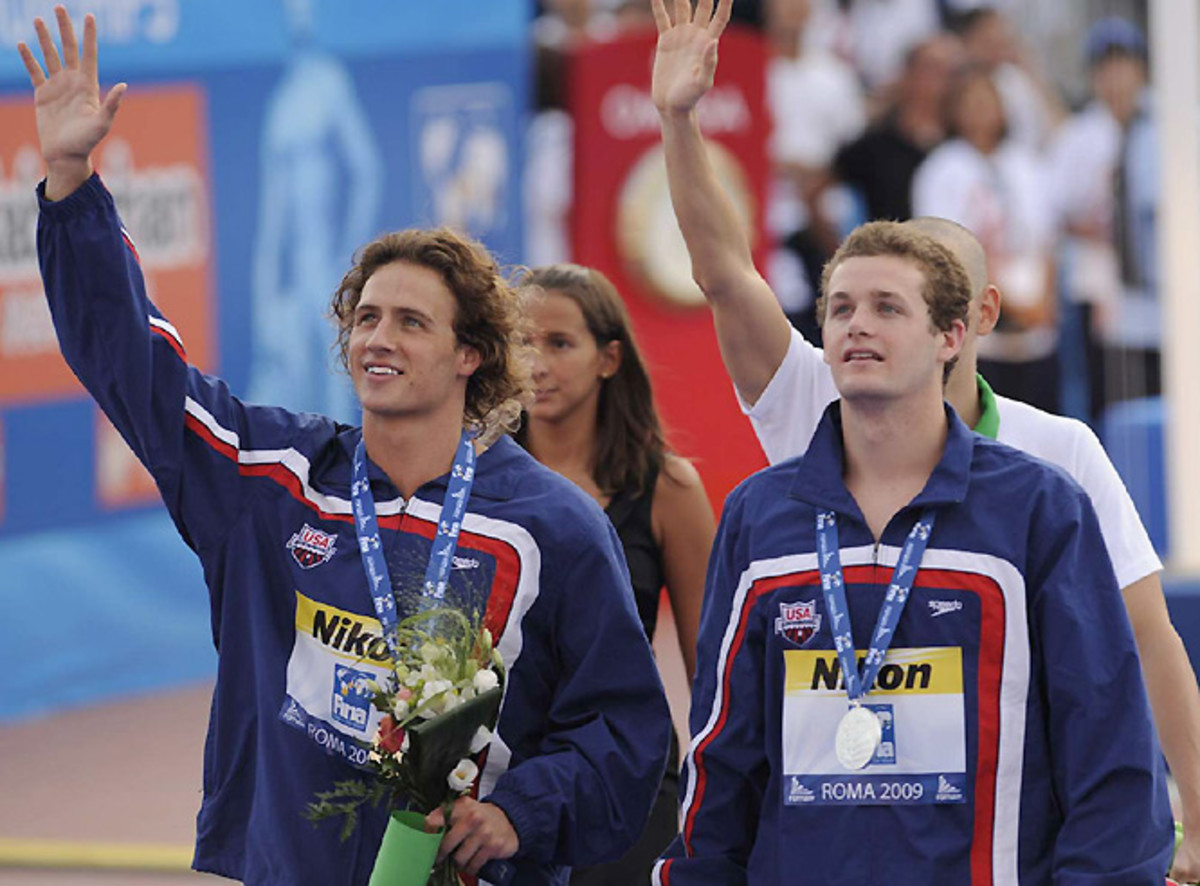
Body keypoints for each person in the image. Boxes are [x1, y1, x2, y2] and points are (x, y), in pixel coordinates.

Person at [20, 9, 672, 885]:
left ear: (469, 354)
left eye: (410, 321)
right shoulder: (271, 480)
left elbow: (622, 732)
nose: (379, 339)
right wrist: (70, 184)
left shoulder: (552, 525)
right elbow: (134, 365)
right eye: (366, 318)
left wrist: (518, 813)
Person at [650, 0, 1200, 881]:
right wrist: (678, 120)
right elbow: (721, 270)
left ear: (964, 321)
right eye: (841, 307)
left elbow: (1140, 654)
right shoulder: (791, 442)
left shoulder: (1050, 473)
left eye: (890, 305)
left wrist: (1198, 813)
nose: (858, 328)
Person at [516, 263, 716, 884]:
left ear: (608, 358)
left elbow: (711, 666)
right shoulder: (474, 481)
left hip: (626, 778)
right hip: (502, 777)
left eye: (558, 343)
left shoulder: (668, 487)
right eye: (522, 342)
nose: (536, 364)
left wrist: (726, 805)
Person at [911, 64, 1059, 414]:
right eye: (970, 101)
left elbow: (1048, 241)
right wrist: (1008, 304)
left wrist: (1044, 305)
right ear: (954, 109)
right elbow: (945, 249)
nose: (980, 109)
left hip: (1036, 323)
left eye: (988, 99)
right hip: (980, 327)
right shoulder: (941, 168)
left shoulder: (1026, 164)